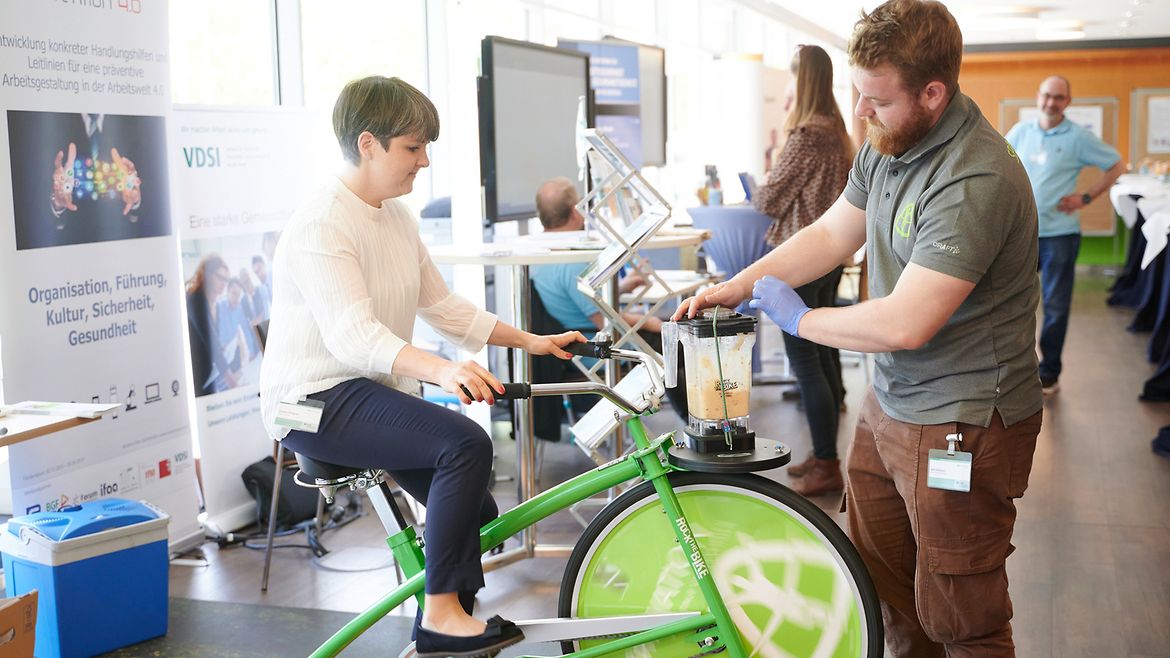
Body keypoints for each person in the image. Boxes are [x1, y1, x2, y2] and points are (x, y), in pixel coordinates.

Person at [674, 1, 1042, 655]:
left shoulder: (974, 177)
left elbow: (907, 322)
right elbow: (829, 233)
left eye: (877, 99)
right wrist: (736, 286)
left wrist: (801, 317)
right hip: (889, 403)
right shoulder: (888, 142)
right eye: (858, 95)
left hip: (963, 418)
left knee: (962, 614)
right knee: (885, 588)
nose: (863, 114)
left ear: (934, 92)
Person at [259, 76, 583, 657]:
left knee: (476, 513)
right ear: (368, 144)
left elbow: (443, 307)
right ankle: (439, 620)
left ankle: (450, 613)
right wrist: (442, 372)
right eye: (413, 147)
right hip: (310, 401)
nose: (424, 162)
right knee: (463, 445)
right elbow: (352, 335)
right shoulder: (321, 224)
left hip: (362, 389)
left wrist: (531, 341)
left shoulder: (396, 218)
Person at [752, 44, 854, 497]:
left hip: (801, 260)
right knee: (824, 352)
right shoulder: (836, 131)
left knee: (806, 364)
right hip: (829, 261)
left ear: (802, 80)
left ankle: (827, 463)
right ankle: (824, 452)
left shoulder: (806, 135)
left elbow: (767, 200)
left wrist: (772, 162)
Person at [531, 177, 688, 418]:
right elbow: (601, 321)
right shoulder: (571, 259)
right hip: (594, 339)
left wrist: (621, 287)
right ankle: (693, 421)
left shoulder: (540, 256)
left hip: (578, 332)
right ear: (576, 211)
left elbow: (581, 300)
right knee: (682, 344)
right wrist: (651, 322)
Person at [1006, 76, 1124, 395]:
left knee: (1056, 307)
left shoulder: (1079, 137)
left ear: (1068, 102)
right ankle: (1016, 368)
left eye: (1059, 97)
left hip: (1060, 236)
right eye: (1046, 95)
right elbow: (1000, 167)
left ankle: (1049, 372)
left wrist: (1085, 198)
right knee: (1014, 304)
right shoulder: (1021, 132)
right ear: (1037, 96)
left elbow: (1116, 166)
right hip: (1021, 235)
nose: (1051, 102)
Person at [186, 254, 240, 397]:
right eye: (220, 277)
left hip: (209, 377)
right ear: (207, 274)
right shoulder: (194, 299)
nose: (224, 283)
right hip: (196, 381)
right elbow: (211, 341)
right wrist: (233, 383)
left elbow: (209, 341)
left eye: (226, 280)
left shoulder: (214, 304)